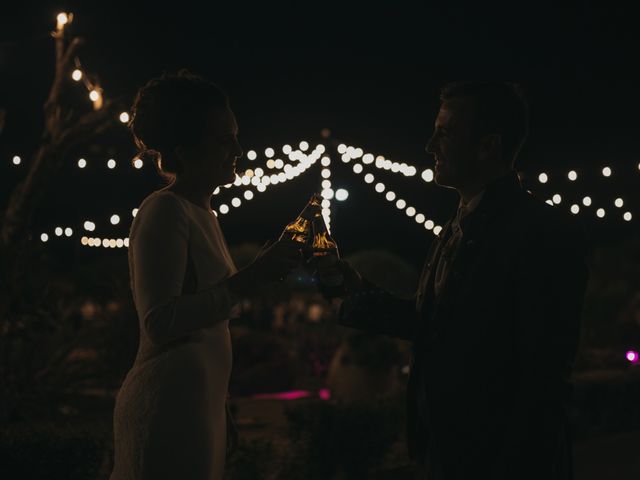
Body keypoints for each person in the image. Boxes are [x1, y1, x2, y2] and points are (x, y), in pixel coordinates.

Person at [337, 82, 589, 479]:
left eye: (445, 133)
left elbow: (544, 373)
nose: (428, 146)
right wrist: (353, 289)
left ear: (488, 146)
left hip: (502, 459)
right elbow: (436, 324)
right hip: (449, 449)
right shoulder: (458, 225)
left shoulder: (540, 232)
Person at [109, 71, 300, 480]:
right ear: (185, 150)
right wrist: (254, 276)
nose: (238, 149)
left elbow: (210, 325)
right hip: (167, 404)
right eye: (224, 140)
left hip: (198, 406)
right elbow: (159, 322)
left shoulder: (203, 213)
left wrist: (220, 404)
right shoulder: (164, 211)